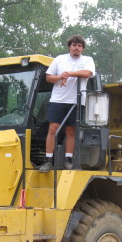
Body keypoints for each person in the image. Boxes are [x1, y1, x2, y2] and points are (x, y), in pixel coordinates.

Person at [39, 35, 95, 173]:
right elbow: (49, 77)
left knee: (71, 130)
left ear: (82, 49)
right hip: (58, 99)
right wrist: (60, 77)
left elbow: (87, 73)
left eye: (80, 46)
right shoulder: (59, 59)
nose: (77, 48)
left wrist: (68, 74)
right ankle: (47, 161)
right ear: (69, 46)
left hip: (76, 100)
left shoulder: (88, 60)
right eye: (74, 45)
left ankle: (68, 160)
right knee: (53, 128)